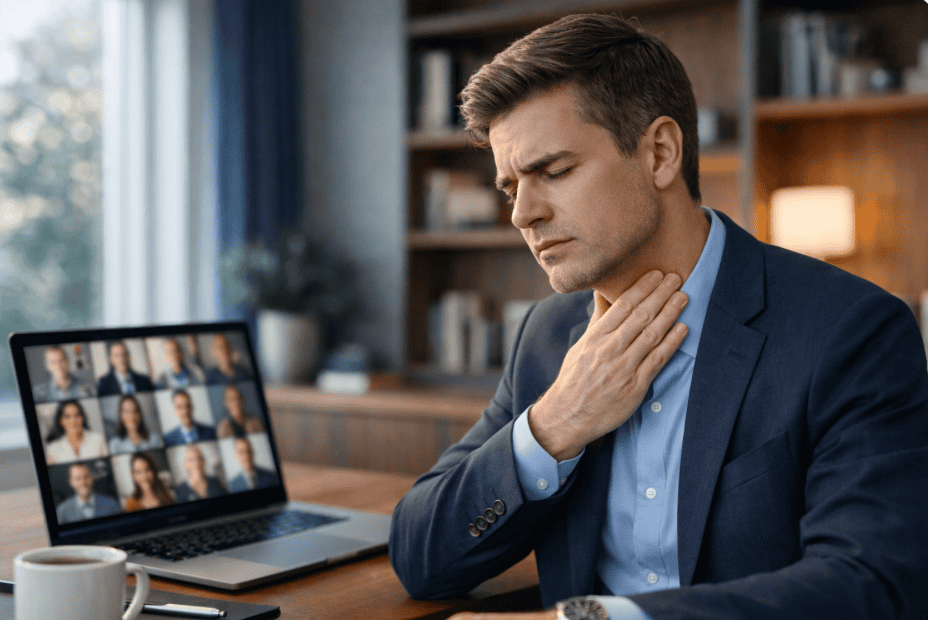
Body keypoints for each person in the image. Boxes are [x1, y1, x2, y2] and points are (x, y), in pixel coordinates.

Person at [389, 14, 928, 620]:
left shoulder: (851, 332)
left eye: (555, 171)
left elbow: (869, 587)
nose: (522, 214)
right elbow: (419, 555)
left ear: (661, 153)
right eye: (512, 187)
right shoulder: (547, 336)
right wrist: (552, 427)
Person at [45, 400, 109, 464]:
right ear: (60, 421)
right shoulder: (52, 449)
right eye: (67, 417)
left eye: (77, 415)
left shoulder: (97, 439)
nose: (73, 421)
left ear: (83, 418)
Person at [55, 462, 121, 524]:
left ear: (92, 478)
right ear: (71, 482)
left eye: (86, 477)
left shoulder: (111, 504)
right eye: (78, 479)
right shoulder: (62, 511)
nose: (83, 483)